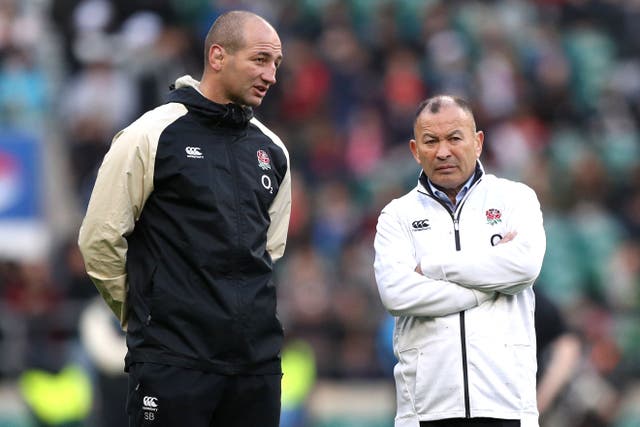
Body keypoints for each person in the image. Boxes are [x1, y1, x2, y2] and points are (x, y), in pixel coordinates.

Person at [78, 10, 291, 427]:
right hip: (172, 361)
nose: (271, 76)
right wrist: (149, 314)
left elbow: (270, 251)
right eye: (261, 60)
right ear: (217, 56)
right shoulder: (150, 134)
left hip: (255, 367)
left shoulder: (274, 151)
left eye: (276, 64)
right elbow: (99, 241)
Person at [373, 95, 546, 427]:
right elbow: (396, 294)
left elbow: (524, 266)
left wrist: (434, 268)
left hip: (508, 406)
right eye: (431, 141)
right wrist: (487, 288)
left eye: (454, 138)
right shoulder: (396, 216)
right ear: (414, 150)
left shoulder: (516, 199)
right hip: (425, 410)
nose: (443, 151)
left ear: (477, 142)